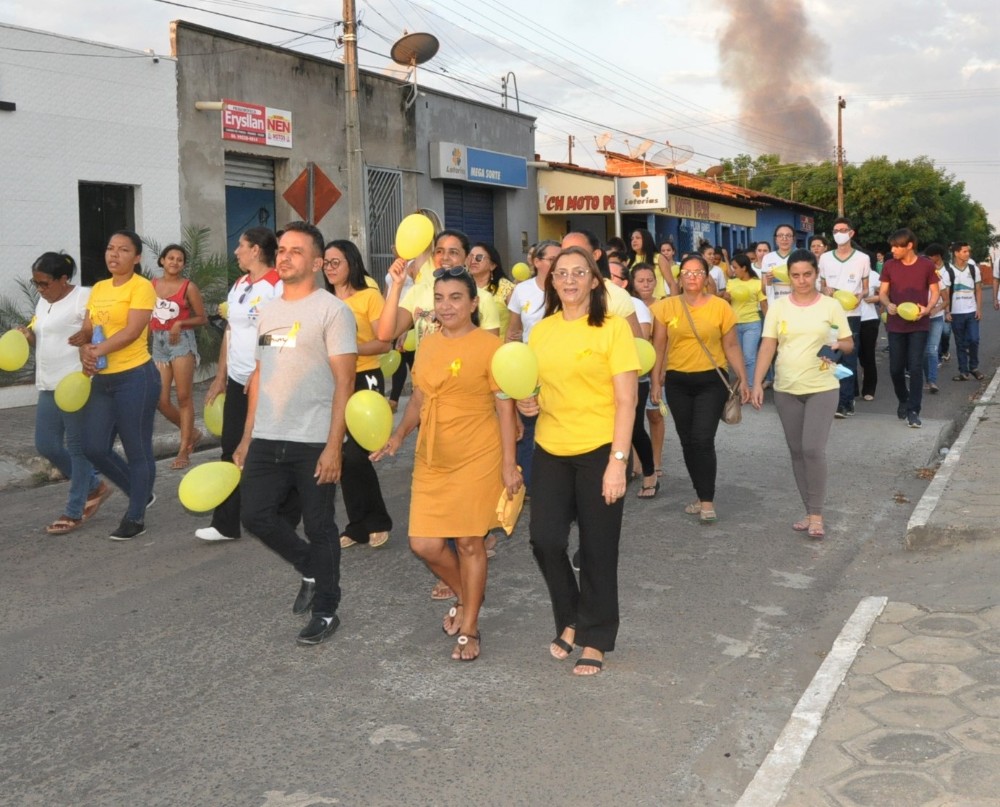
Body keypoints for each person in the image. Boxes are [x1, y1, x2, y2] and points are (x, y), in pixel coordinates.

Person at [372, 266, 521, 662]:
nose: (446, 306)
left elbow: (505, 409)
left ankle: (470, 626)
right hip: (433, 455)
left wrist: (509, 464)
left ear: (473, 303)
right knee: (423, 543)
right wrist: (399, 435)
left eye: (456, 298)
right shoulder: (429, 345)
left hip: (478, 453)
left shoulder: (490, 347)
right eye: (439, 298)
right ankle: (468, 594)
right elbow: (420, 399)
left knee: (469, 542)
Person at [234, 221, 357, 646]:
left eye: (296, 251)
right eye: (282, 250)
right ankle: (310, 565)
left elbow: (345, 382)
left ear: (318, 263)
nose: (284, 257)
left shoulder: (332, 311)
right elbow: (260, 375)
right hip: (268, 434)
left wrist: (334, 446)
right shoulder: (269, 311)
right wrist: (247, 436)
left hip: (313, 439)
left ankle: (326, 609)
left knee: (320, 525)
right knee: (254, 515)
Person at [517, 245, 639, 676]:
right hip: (551, 448)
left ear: (593, 280)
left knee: (598, 548)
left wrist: (618, 461)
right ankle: (572, 617)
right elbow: (534, 387)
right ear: (551, 281)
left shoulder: (612, 329)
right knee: (545, 540)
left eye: (578, 272)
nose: (569, 280)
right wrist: (528, 402)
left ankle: (596, 637)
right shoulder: (541, 332)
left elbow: (627, 400)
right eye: (561, 273)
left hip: (600, 450)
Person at [750, 249, 853, 539]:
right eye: (795, 275)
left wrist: (838, 346)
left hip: (823, 386)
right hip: (786, 388)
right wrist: (757, 382)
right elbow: (768, 345)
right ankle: (809, 511)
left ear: (816, 274)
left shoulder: (831, 306)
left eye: (807, 274)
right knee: (797, 451)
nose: (802, 280)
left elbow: (848, 343)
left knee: (812, 450)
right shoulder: (779, 307)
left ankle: (817, 515)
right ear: (789, 277)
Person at [196, 226, 287, 543]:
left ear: (257, 250)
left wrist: (262, 368)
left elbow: (287, 335)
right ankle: (225, 524)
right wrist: (221, 376)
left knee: (272, 449)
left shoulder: (277, 285)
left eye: (241, 245)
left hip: (268, 380)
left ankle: (283, 511)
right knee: (231, 446)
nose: (236, 251)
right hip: (237, 380)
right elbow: (230, 332)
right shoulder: (239, 285)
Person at [650, 253, 749, 523]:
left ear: (707, 277)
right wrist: (656, 381)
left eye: (698, 272)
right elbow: (658, 346)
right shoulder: (666, 307)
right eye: (687, 273)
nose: (692, 277)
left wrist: (743, 378)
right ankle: (700, 491)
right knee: (687, 441)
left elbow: (731, 345)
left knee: (702, 439)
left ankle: (707, 501)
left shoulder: (720, 307)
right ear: (679, 277)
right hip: (677, 381)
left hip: (711, 381)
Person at [76, 230, 160, 541]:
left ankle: (135, 517)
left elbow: (132, 331)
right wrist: (85, 349)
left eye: (123, 250)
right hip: (103, 379)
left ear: (136, 258)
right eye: (111, 248)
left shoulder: (142, 287)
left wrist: (96, 351)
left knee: (138, 449)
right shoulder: (98, 288)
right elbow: (88, 328)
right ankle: (140, 491)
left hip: (136, 377)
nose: (114, 254)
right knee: (93, 447)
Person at [21, 252, 109, 534]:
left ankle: (74, 510)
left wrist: (88, 339)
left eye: (44, 283)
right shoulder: (43, 301)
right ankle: (94, 485)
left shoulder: (84, 297)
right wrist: (29, 337)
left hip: (76, 384)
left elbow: (100, 332)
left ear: (63, 279)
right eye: (36, 283)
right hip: (48, 383)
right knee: (46, 445)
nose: (40, 289)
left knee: (77, 447)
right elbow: (46, 340)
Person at [322, 239, 393, 549]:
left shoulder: (369, 297)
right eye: (325, 263)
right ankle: (357, 526)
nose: (329, 268)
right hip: (334, 381)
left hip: (366, 378)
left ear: (351, 263)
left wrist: (349, 350)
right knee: (342, 455)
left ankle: (377, 521)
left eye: (335, 262)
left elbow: (384, 342)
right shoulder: (322, 301)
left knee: (355, 454)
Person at [507, 239, 560, 490]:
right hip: (529, 369)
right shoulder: (522, 290)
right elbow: (513, 332)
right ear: (537, 262)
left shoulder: (568, 288)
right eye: (552, 259)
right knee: (527, 426)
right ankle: (529, 483)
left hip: (561, 367)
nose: (558, 264)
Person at [150, 244, 206, 469]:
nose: (174, 262)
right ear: (162, 260)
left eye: (179, 259)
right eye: (170, 258)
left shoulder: (188, 287)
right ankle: (192, 433)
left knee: (184, 396)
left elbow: (202, 317)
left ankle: (184, 450)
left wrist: (180, 323)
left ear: (183, 265)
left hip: (181, 342)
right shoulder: (152, 285)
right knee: (161, 400)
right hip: (159, 344)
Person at [878, 228, 939, 428]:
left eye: (897, 247)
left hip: (919, 324)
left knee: (915, 367)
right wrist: (888, 304)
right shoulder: (889, 265)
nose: (893, 250)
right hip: (895, 324)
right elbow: (883, 293)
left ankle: (914, 410)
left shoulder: (926, 265)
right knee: (896, 369)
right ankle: (903, 398)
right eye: (892, 247)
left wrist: (928, 308)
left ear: (909, 245)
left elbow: (935, 292)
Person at [818, 218, 869, 418]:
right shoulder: (825, 258)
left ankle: (845, 402)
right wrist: (825, 290)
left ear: (851, 233)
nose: (839, 233)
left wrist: (860, 296)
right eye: (835, 230)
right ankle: (833, 399)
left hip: (851, 315)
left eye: (843, 230)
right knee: (829, 358)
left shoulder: (862, 258)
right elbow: (821, 285)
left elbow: (866, 288)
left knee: (848, 358)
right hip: (829, 314)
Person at [560, 230, 642, 337]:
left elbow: (636, 341)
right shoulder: (558, 290)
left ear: (596, 254)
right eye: (564, 252)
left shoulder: (615, 295)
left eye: (577, 251)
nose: (569, 257)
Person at [626, 262, 660, 497]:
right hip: (603, 378)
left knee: (635, 427)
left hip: (636, 375)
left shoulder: (634, 305)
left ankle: (650, 472)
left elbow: (644, 341)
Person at [723, 253, 766, 391]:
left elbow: (763, 304)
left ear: (744, 268)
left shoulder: (757, 283)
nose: (733, 270)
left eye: (735, 267)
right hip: (734, 325)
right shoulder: (731, 282)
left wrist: (769, 324)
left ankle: (751, 387)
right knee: (737, 358)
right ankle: (742, 384)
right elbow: (726, 303)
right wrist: (726, 298)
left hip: (752, 324)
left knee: (749, 357)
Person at [944, 241, 984, 382]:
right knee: (960, 343)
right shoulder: (948, 271)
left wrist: (979, 308)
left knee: (974, 339)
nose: (967, 254)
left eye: (968, 251)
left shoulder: (973, 269)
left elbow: (978, 290)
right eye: (964, 251)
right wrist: (947, 312)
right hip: (956, 313)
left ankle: (974, 367)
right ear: (956, 253)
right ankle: (963, 372)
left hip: (971, 311)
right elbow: (945, 293)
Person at [468, 242, 515, 342]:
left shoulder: (506, 288)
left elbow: (518, 319)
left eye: (479, 257)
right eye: (470, 257)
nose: (473, 261)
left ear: (492, 265)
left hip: (499, 346)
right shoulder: (463, 286)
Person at [921, 244, 950, 394]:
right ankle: (926, 379)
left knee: (932, 350)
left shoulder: (938, 279)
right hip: (919, 319)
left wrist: (935, 310)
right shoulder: (914, 279)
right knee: (922, 352)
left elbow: (946, 300)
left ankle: (932, 381)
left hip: (936, 319)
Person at [858, 257, 883, 401]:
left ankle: (869, 389)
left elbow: (885, 293)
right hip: (847, 318)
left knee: (868, 355)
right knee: (849, 357)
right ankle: (850, 391)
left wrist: (877, 298)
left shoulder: (873, 275)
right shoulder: (843, 273)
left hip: (869, 319)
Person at [762, 225, 796, 304]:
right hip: (775, 305)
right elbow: (764, 291)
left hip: (795, 304)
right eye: (780, 235)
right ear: (776, 239)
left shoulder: (800, 257)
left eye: (788, 235)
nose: (784, 238)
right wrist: (768, 281)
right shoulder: (767, 258)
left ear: (793, 239)